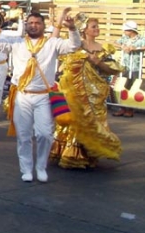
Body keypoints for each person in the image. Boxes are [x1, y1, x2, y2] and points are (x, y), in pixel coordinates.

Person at [0, 11, 81, 183]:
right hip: (22, 96)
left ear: (43, 26)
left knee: (44, 134)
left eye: (37, 23)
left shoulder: (53, 43)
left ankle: (41, 167)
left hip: (43, 96)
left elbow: (74, 46)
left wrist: (72, 28)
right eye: (30, 22)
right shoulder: (16, 42)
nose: (33, 25)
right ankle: (26, 169)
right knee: (24, 135)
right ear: (26, 25)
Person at [50, 16, 123, 169]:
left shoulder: (103, 48)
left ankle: (89, 153)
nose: (97, 29)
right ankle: (72, 153)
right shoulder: (76, 45)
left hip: (96, 92)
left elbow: (112, 69)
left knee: (94, 121)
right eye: (93, 26)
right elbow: (64, 63)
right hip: (76, 90)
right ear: (84, 30)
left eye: (97, 26)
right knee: (77, 119)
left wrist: (98, 62)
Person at [112, 21, 145, 117]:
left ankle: (130, 110)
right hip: (124, 66)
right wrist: (122, 46)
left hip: (135, 68)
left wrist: (136, 48)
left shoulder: (141, 39)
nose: (124, 31)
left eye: (125, 30)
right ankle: (122, 108)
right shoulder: (124, 38)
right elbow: (114, 42)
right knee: (121, 87)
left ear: (131, 30)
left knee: (131, 88)